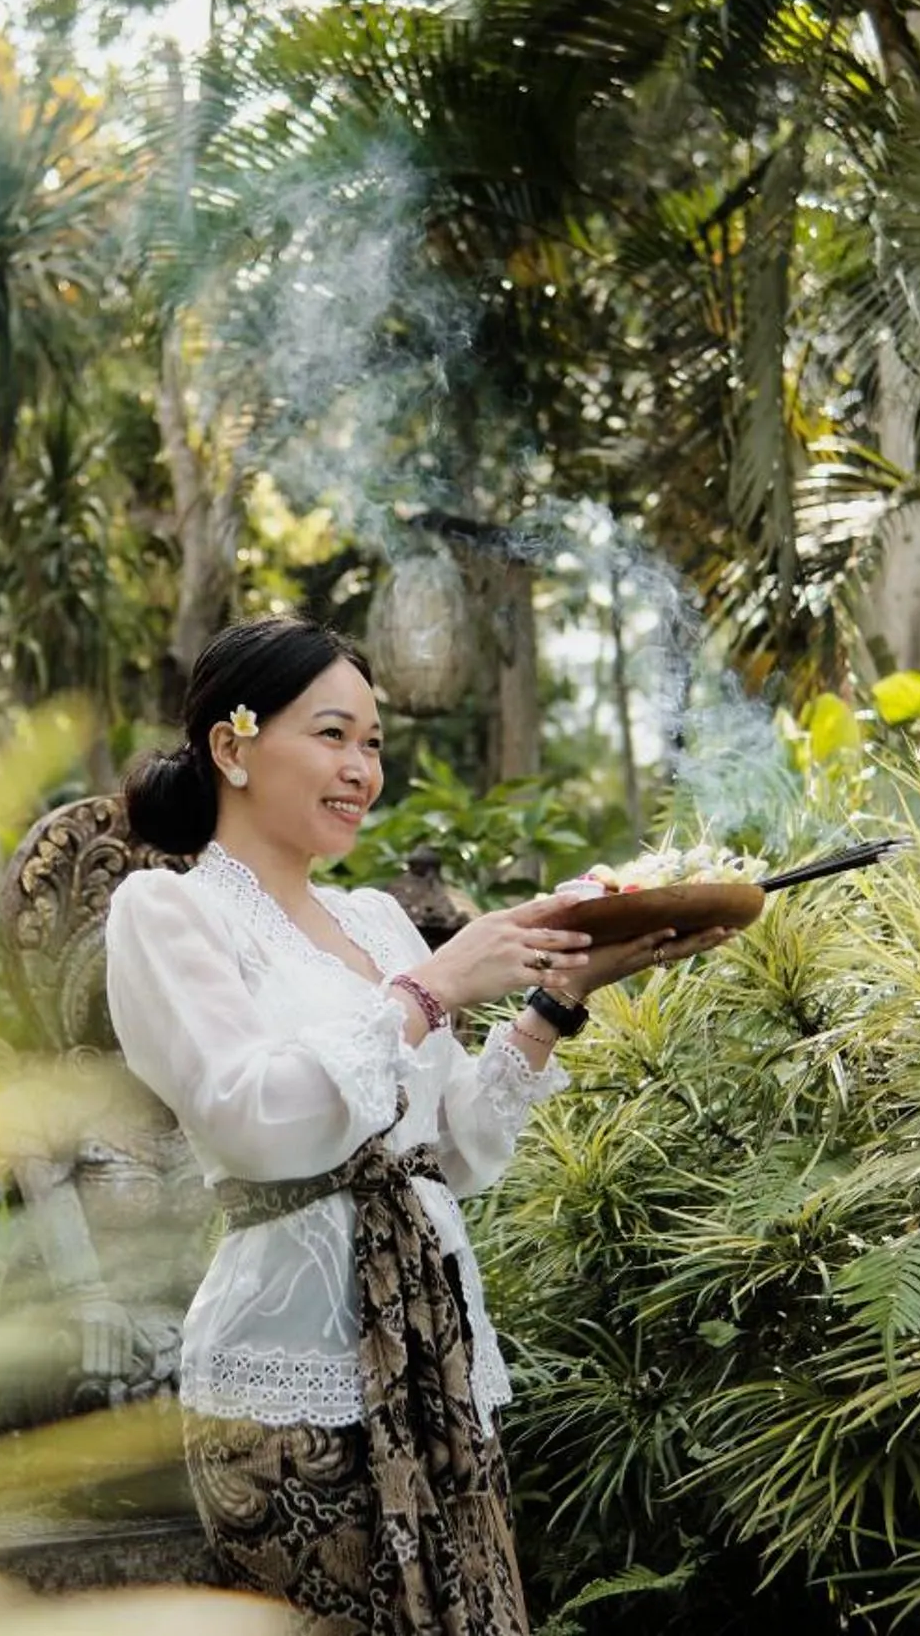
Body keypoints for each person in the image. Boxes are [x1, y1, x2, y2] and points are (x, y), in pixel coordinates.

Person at [105, 617, 732, 1634]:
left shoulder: (377, 924)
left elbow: (460, 1152)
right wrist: (435, 987)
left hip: (438, 1367)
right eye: (333, 735)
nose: (362, 769)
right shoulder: (167, 913)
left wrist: (554, 999)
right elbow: (254, 1120)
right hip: (287, 1385)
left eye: (374, 745)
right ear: (232, 745)